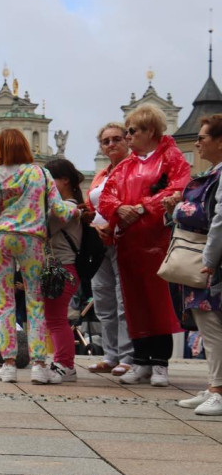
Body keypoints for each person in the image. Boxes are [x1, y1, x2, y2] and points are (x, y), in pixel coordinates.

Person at [98, 105, 190, 386]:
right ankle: (141, 360)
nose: (128, 137)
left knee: (158, 302)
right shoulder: (127, 164)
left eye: (132, 131)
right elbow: (107, 196)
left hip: (157, 242)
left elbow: (178, 188)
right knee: (134, 302)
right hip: (130, 244)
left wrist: (139, 208)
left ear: (150, 130)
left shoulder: (171, 157)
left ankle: (160, 362)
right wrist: (120, 208)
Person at [0, 128, 78, 384]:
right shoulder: (40, 173)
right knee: (35, 301)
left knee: (5, 303)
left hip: (2, 239)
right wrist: (74, 210)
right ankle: (38, 365)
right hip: (32, 240)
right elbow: (58, 210)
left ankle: (9, 364)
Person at [170, 114, 222, 413]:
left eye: (203, 137)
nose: (198, 142)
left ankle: (218, 391)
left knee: (213, 326)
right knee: (208, 325)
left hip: (210, 260)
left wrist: (210, 259)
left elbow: (217, 219)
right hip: (208, 257)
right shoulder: (214, 172)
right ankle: (214, 385)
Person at [85, 122, 134, 375]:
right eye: (106, 141)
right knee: (103, 299)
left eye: (117, 139)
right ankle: (111, 353)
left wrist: (112, 223)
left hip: (124, 240)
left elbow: (131, 203)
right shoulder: (100, 174)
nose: (111, 144)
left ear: (127, 140)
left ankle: (127, 355)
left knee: (123, 299)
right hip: (100, 242)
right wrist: (93, 227)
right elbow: (91, 206)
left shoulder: (134, 169)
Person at [43, 158, 86, 382]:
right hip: (62, 268)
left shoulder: (67, 207)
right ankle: (62, 361)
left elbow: (44, 226)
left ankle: (65, 364)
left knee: (57, 319)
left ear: (65, 180)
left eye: (50, 180)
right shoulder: (71, 206)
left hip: (62, 268)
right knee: (54, 318)